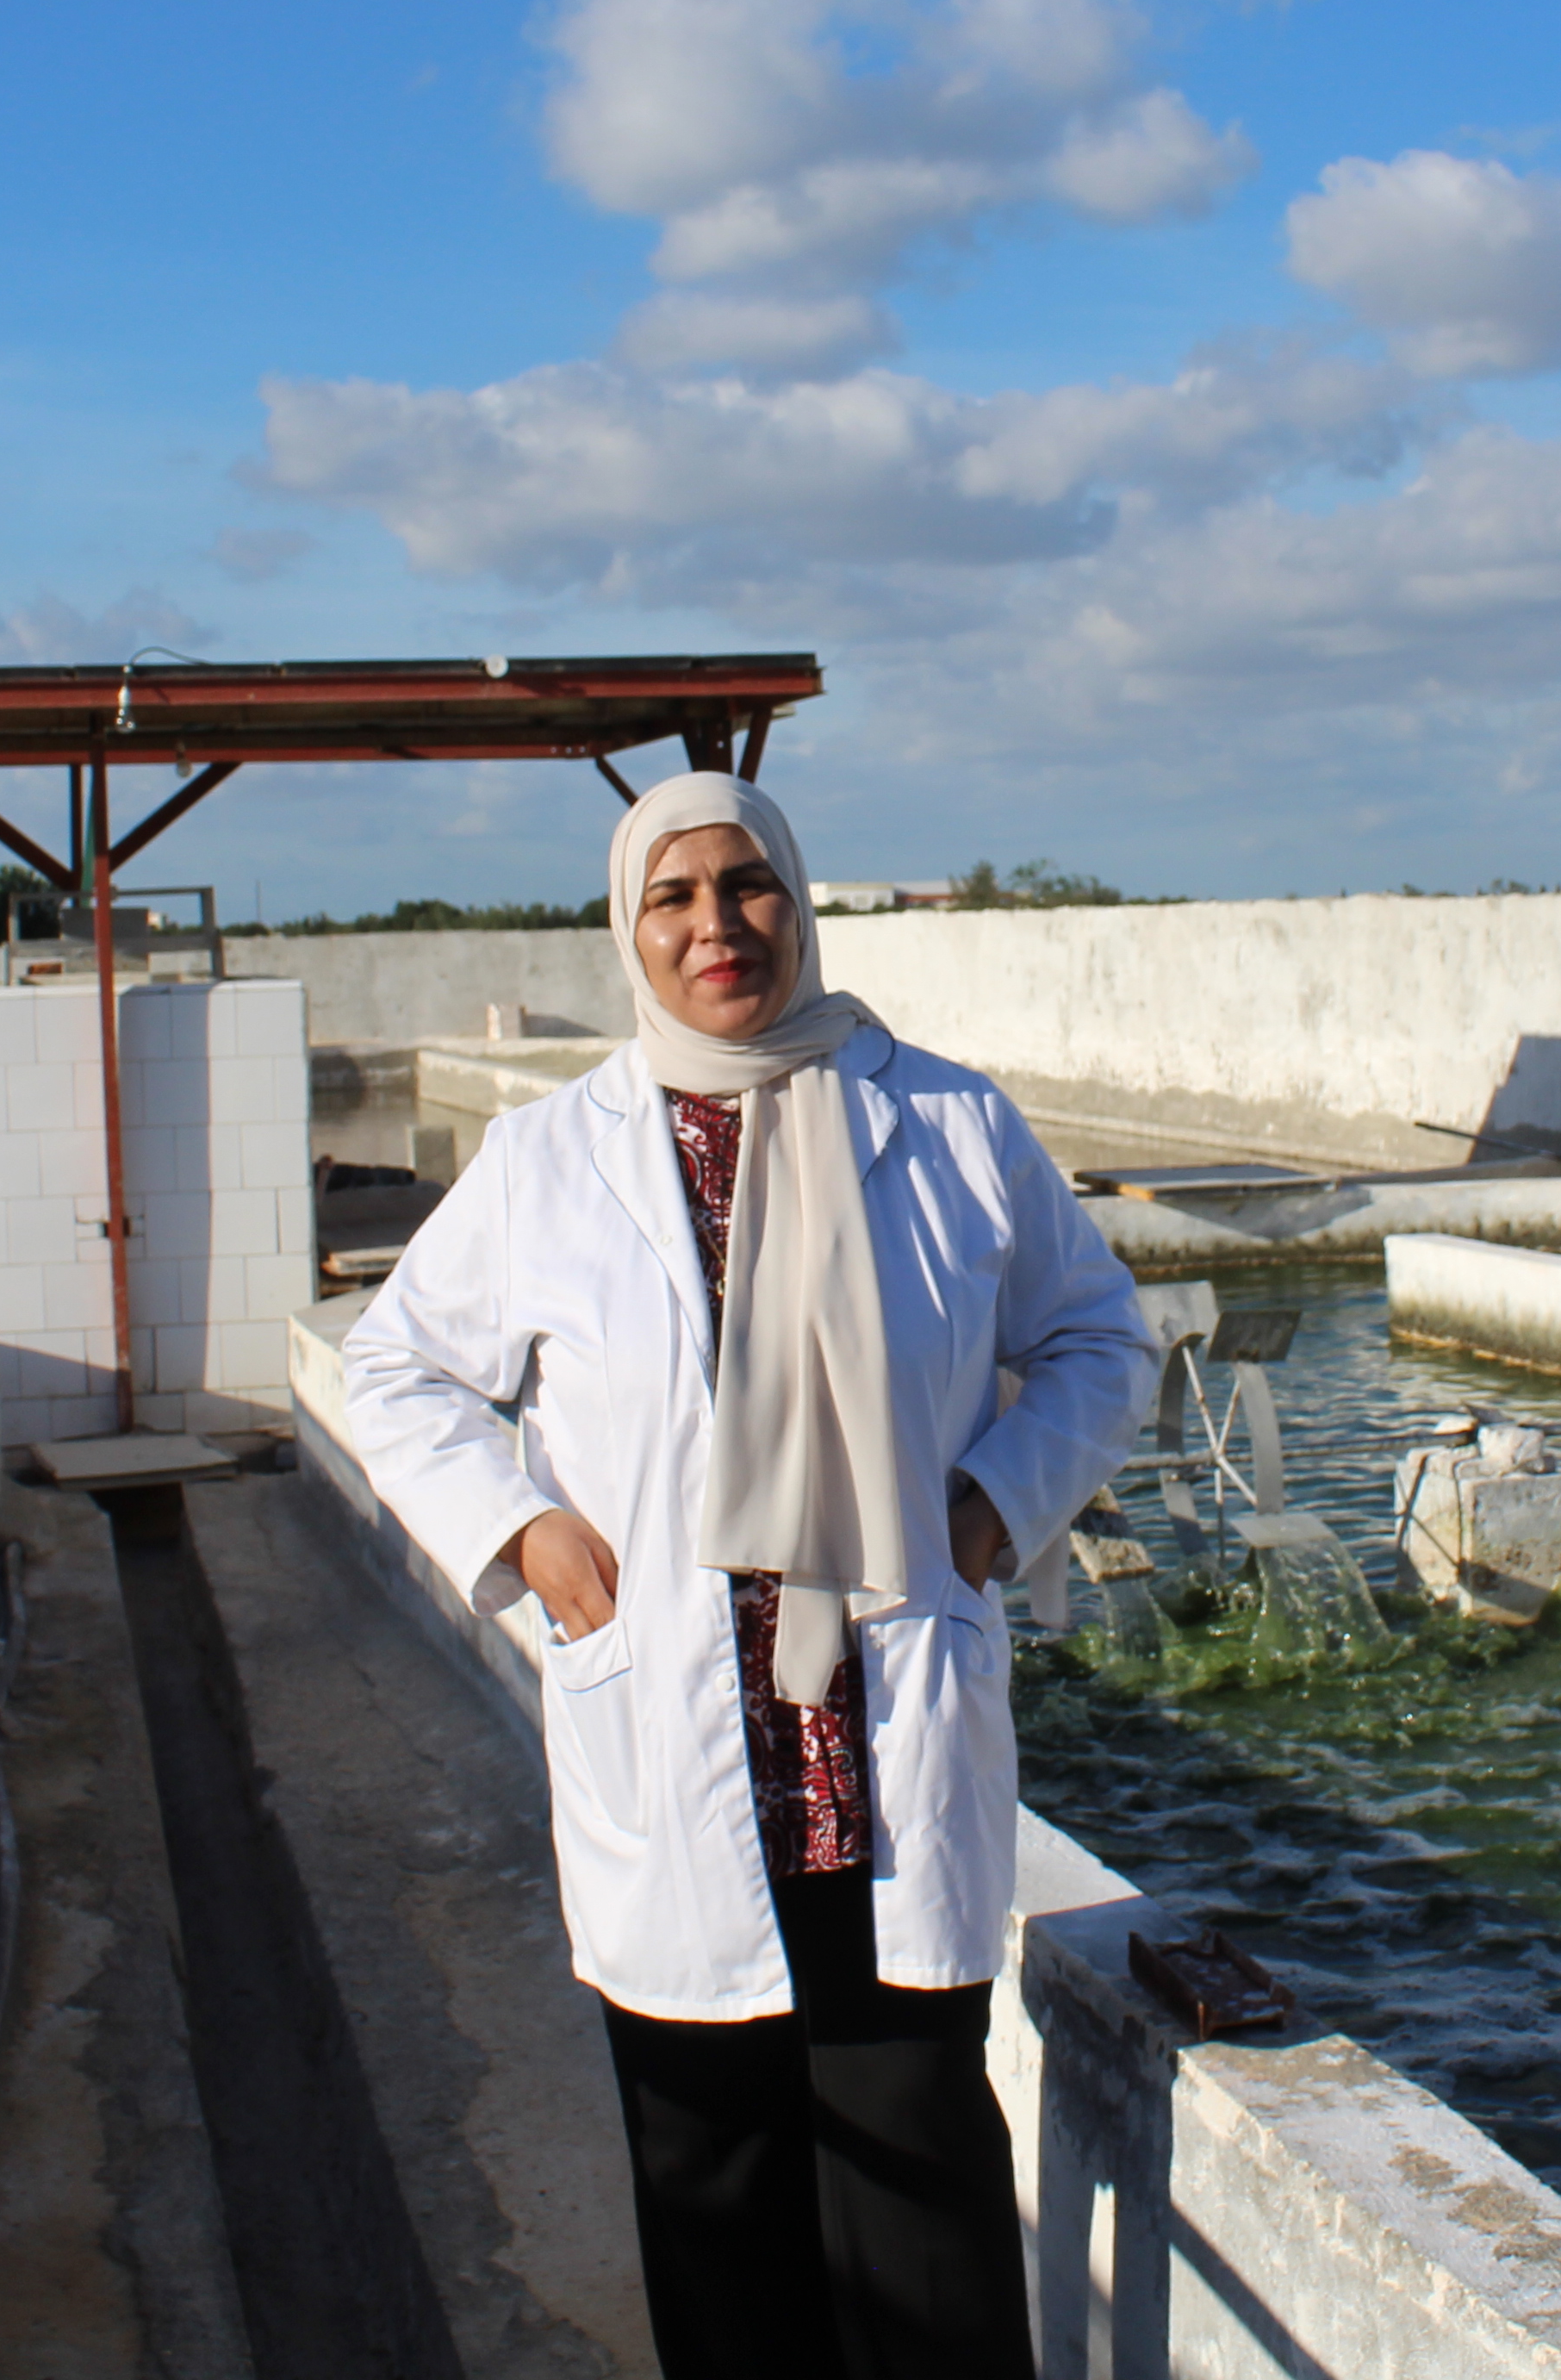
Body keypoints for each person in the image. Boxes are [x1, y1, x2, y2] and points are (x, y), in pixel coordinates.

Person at [337, 771, 1151, 2380]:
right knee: (719, 2216)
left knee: (929, 2221)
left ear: (798, 897)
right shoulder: (548, 1159)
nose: (718, 924)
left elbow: (1099, 1337)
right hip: (682, 1751)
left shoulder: (947, 1122)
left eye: (748, 884)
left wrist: (995, 1506)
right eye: (675, 895)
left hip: (876, 1757)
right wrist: (523, 1532)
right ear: (628, 927)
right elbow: (397, 1368)